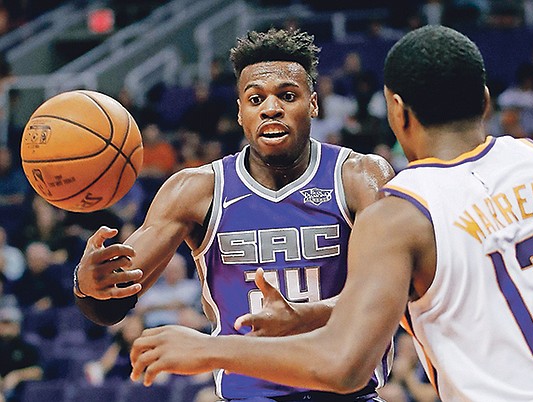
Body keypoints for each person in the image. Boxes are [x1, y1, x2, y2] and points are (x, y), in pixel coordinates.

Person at [129, 1, 533, 400]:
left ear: (397, 111)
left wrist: (206, 348)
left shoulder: (403, 215)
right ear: (484, 98)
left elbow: (343, 364)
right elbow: (454, 289)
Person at [73, 27, 395, 401]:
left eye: (287, 96)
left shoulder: (359, 177)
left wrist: (306, 315)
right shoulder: (195, 190)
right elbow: (110, 304)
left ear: (313, 104)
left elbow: (386, 295)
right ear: (240, 112)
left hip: (347, 392)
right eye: (255, 98)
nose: (270, 108)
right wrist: (87, 284)